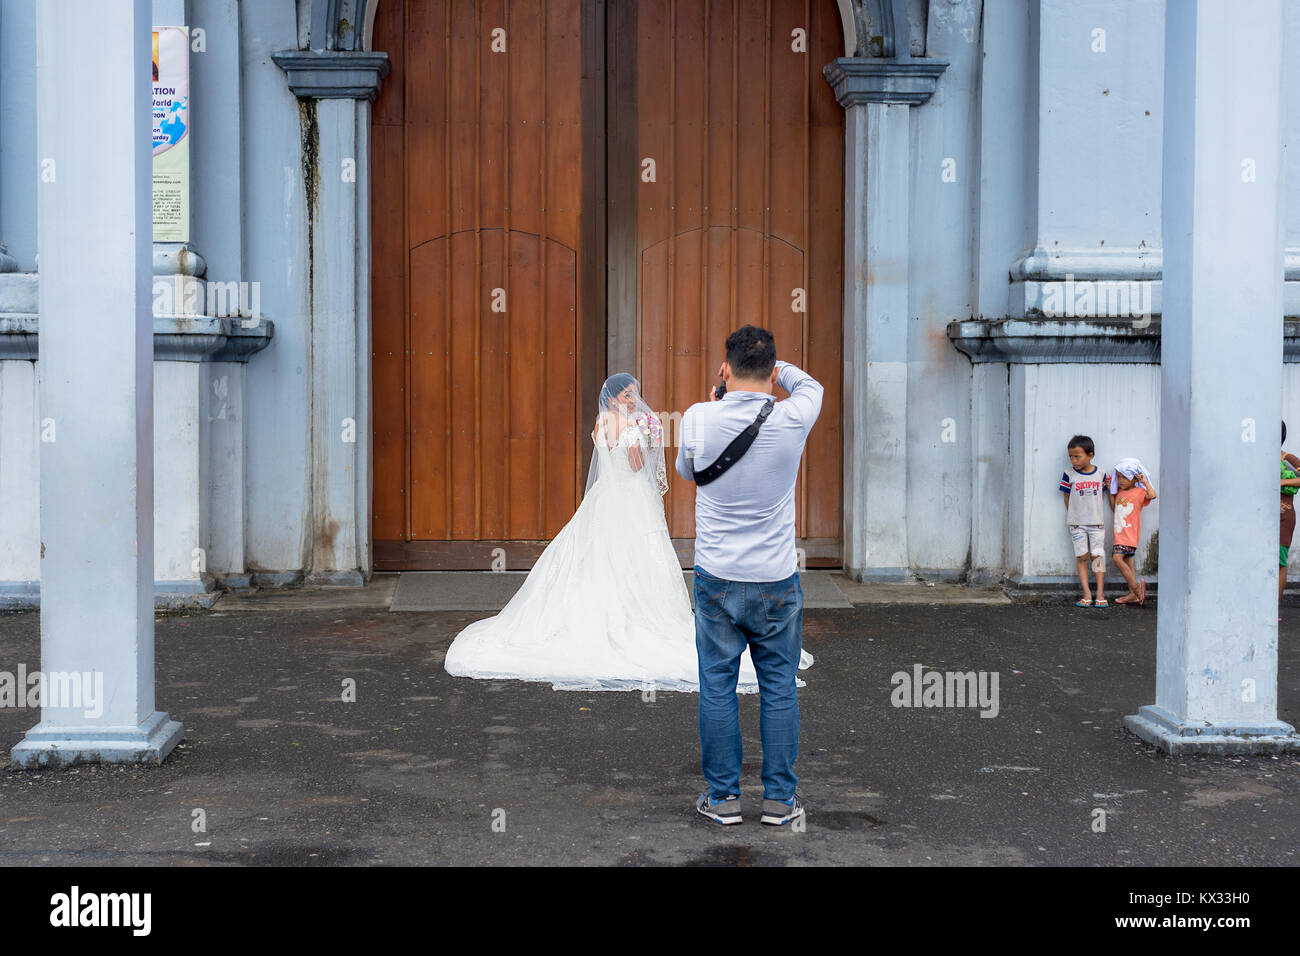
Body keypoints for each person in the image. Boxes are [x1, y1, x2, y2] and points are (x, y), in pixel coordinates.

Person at [442, 372, 807, 692]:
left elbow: (606, 461)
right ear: (616, 396)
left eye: (635, 394)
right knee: (636, 556)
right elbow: (634, 466)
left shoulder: (601, 422)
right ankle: (636, 618)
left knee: (595, 557)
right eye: (629, 395)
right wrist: (647, 438)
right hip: (631, 500)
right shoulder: (629, 424)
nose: (635, 400)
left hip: (604, 500)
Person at [676, 325, 823, 828]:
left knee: (717, 686)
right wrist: (776, 370)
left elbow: (686, 472)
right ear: (772, 369)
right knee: (779, 686)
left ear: (725, 367)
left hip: (716, 575)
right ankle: (781, 801)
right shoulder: (793, 416)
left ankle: (723, 800)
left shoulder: (697, 418)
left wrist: (718, 400)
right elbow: (812, 387)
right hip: (776, 578)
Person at [1060, 436, 1110, 607]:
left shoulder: (1101, 474)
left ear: (1090, 455)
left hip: (1097, 523)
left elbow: (1107, 494)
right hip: (1077, 524)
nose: (1074, 460)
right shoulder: (1069, 474)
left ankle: (1100, 593)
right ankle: (1087, 593)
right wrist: (1075, 518)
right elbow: (1067, 498)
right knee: (1082, 557)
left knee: (1097, 556)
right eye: (1071, 457)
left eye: (1077, 456)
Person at [1107, 460, 1156, 605]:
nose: (1121, 481)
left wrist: (1145, 482)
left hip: (1129, 535)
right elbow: (1114, 508)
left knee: (1117, 558)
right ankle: (1133, 595)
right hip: (1119, 534)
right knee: (1128, 564)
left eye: (1124, 477)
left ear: (1134, 477)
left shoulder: (1140, 492)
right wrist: (1111, 492)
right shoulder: (1120, 492)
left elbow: (1152, 495)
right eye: (1119, 477)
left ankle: (1136, 588)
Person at [1281, 421, 1300, 602]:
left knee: (1279, 562)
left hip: (1283, 517)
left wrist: (1282, 482)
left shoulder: (1288, 459)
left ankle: (1275, 608)